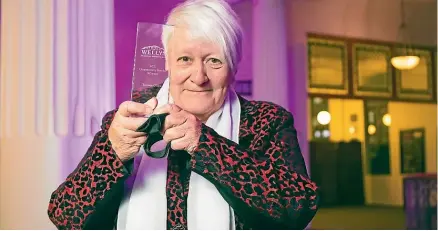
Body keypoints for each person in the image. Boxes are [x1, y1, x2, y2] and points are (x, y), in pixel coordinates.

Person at [47, 0, 319, 229]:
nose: (198, 77)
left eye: (214, 60)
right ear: (166, 61)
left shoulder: (266, 121)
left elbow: (296, 210)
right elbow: (66, 216)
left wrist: (205, 145)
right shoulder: (130, 121)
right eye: (185, 59)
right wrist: (113, 152)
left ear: (233, 67)